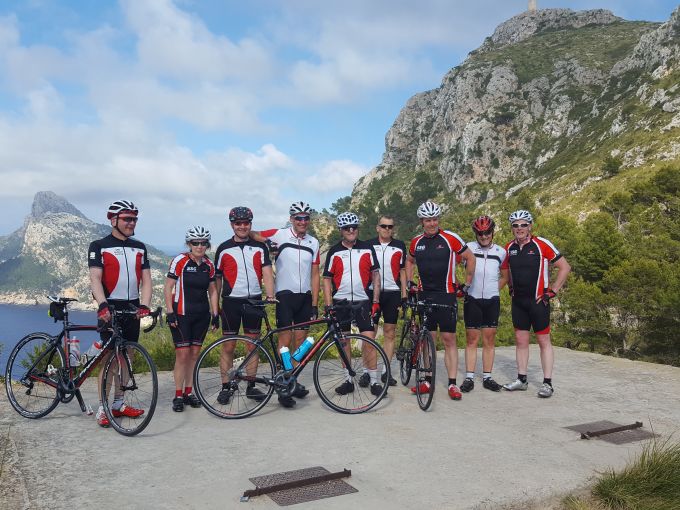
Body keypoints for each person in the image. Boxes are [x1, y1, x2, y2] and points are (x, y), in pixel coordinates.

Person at [88, 200, 152, 428]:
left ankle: (118, 403)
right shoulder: (99, 245)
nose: (131, 223)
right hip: (110, 309)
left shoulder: (140, 247)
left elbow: (146, 280)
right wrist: (102, 305)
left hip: (132, 309)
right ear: (113, 220)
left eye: (134, 219)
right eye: (127, 219)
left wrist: (144, 305)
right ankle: (103, 408)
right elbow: (95, 278)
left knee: (128, 357)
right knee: (110, 360)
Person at [250, 201, 320, 408]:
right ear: (291, 219)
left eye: (306, 218)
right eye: (298, 218)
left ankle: (292, 379)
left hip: (305, 297)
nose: (302, 221)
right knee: (285, 342)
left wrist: (315, 303)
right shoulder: (279, 234)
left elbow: (315, 274)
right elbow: (252, 233)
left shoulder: (313, 242)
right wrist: (267, 242)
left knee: (301, 342)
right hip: (285, 295)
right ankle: (283, 387)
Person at [405, 201, 476, 400]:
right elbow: (409, 261)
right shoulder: (416, 242)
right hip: (424, 295)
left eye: (435, 219)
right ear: (422, 221)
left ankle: (452, 383)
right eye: (428, 220)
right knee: (428, 340)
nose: (432, 223)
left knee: (449, 339)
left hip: (446, 295)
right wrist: (410, 281)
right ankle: (427, 381)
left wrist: (467, 284)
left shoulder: (450, 238)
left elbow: (470, 258)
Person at [500, 210, 571, 398]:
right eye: (515, 225)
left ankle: (547, 384)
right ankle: (521, 380)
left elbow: (565, 267)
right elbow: (506, 272)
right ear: (512, 228)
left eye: (523, 224)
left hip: (538, 301)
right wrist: (510, 287)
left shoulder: (541, 244)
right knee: (521, 341)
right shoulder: (509, 248)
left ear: (530, 226)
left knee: (543, 341)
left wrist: (552, 291)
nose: (519, 228)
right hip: (518, 302)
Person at [213, 207, 276, 405]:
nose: (242, 226)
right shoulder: (223, 248)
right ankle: (226, 386)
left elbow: (267, 272)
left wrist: (270, 295)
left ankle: (251, 386)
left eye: (246, 223)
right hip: (231, 302)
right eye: (238, 223)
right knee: (228, 346)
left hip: (254, 301)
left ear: (250, 224)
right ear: (232, 225)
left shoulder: (259, 247)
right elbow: (217, 280)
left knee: (252, 345)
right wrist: (214, 307)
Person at [323, 212, 383, 396]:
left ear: (357, 229)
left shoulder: (367, 248)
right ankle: (348, 380)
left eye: (354, 227)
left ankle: (374, 381)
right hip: (340, 302)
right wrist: (328, 305)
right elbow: (326, 279)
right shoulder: (334, 251)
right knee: (344, 342)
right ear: (341, 230)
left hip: (363, 301)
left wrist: (375, 301)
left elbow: (376, 275)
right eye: (347, 228)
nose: (351, 231)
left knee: (369, 340)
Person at [164, 226, 220, 412]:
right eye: (196, 243)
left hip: (201, 316)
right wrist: (170, 312)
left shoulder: (208, 264)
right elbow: (168, 287)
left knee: (194, 355)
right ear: (189, 244)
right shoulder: (180, 261)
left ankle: (189, 392)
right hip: (181, 315)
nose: (199, 246)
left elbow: (213, 290)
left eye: (203, 243)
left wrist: (215, 314)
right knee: (182, 355)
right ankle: (178, 395)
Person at [460, 216, 507, 393]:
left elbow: (505, 276)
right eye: (480, 233)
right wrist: (459, 285)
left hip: (491, 300)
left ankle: (487, 377)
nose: (484, 236)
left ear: (492, 232)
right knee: (472, 339)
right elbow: (450, 264)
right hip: (472, 299)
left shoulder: (501, 252)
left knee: (489, 339)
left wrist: (493, 290)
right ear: (476, 234)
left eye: (487, 232)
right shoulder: (468, 248)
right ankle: (469, 377)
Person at [368, 214, 407, 387]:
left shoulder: (399, 245)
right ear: (377, 227)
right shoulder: (368, 245)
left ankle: (386, 371)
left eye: (390, 226)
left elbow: (403, 271)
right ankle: (368, 372)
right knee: (370, 333)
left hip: (393, 293)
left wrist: (404, 295)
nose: (387, 229)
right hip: (372, 293)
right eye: (384, 226)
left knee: (390, 332)